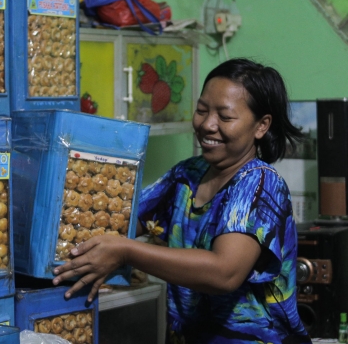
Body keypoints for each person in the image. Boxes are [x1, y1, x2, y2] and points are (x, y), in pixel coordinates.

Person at [52, 58, 312, 343]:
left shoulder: (260, 184)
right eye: (201, 111)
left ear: (261, 126)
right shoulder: (186, 175)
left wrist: (125, 252)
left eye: (225, 117)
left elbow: (224, 273)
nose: (207, 125)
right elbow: (121, 220)